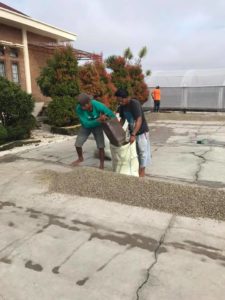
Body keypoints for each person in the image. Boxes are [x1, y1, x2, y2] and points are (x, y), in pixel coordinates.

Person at [71, 93, 115, 169]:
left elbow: (110, 113)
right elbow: (86, 123)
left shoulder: (97, 104)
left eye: (84, 106)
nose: (82, 107)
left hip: (97, 126)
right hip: (86, 126)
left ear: (89, 103)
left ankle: (101, 164)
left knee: (101, 146)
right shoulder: (79, 109)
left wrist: (106, 117)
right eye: (81, 106)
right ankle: (80, 158)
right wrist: (98, 120)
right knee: (78, 144)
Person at [115, 89, 151, 177]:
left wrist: (133, 134)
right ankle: (137, 168)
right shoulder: (122, 106)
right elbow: (122, 120)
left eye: (121, 100)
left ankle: (142, 171)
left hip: (141, 132)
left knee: (143, 151)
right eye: (118, 100)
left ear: (127, 97)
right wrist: (118, 131)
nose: (120, 102)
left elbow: (139, 119)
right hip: (133, 132)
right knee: (136, 152)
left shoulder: (134, 104)